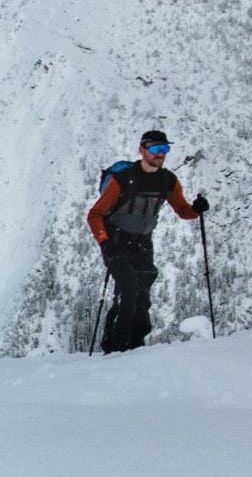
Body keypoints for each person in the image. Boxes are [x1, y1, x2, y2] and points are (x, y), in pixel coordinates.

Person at [86, 129, 208, 354]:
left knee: (141, 295)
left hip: (143, 243)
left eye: (164, 149)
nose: (159, 154)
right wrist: (104, 242)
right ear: (141, 150)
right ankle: (115, 349)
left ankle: (134, 347)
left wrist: (195, 210)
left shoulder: (167, 181)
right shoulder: (123, 179)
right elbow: (95, 215)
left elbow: (182, 210)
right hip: (116, 242)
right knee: (129, 290)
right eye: (154, 149)